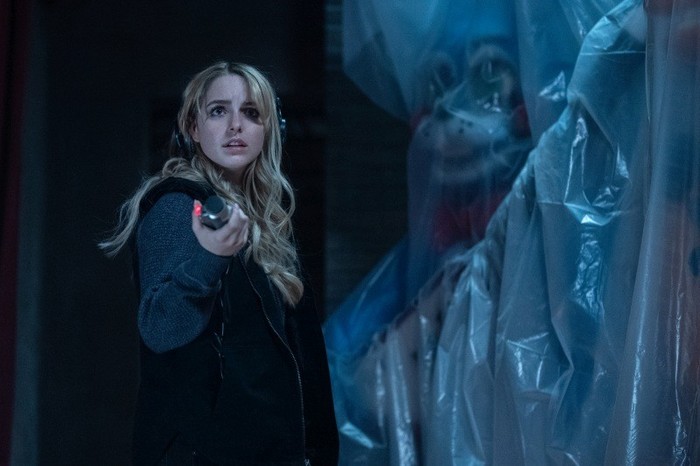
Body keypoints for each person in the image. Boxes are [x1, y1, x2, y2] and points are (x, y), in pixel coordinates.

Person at [100, 61, 339, 465]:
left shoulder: (264, 222)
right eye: (218, 111)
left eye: (251, 112)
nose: (235, 125)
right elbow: (160, 328)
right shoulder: (178, 208)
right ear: (193, 128)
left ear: (268, 129)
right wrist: (209, 257)